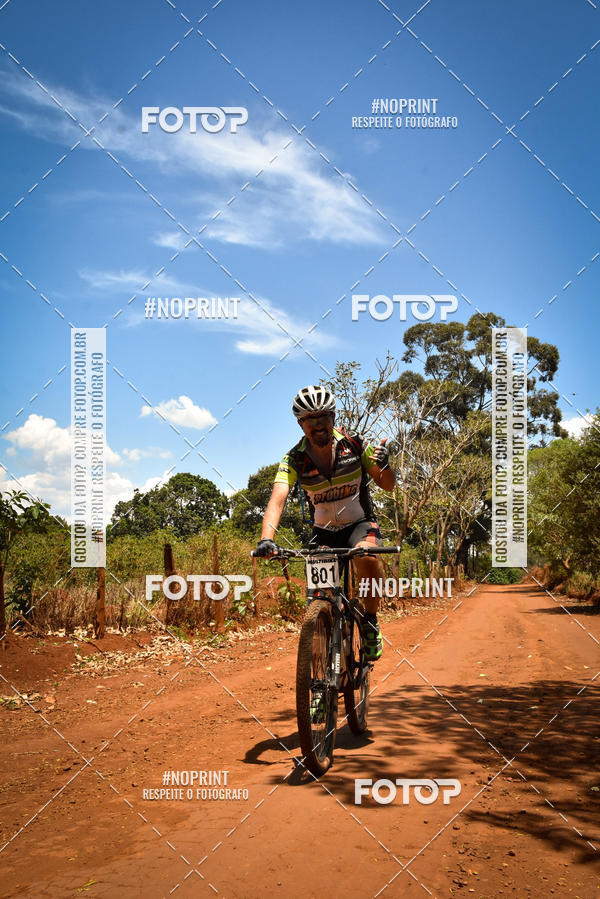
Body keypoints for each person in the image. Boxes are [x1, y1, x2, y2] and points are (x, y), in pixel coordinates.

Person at [254, 384, 396, 662]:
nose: (318, 425)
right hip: (323, 533)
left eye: (323, 418)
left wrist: (386, 466)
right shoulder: (294, 459)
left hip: (359, 524)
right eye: (310, 420)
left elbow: (387, 485)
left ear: (333, 418)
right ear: (300, 423)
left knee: (367, 557)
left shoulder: (356, 445)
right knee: (319, 603)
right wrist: (266, 539)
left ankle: (370, 620)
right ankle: (319, 694)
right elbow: (276, 500)